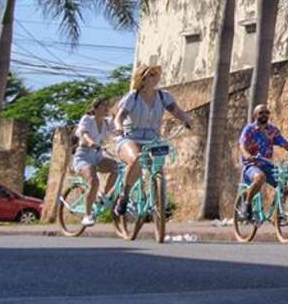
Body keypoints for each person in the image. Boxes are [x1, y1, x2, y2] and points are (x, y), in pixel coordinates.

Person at [114, 63, 198, 214]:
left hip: (153, 139)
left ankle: (157, 202)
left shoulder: (163, 96)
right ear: (142, 79)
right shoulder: (133, 97)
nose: (155, 78)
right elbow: (119, 117)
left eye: (156, 75)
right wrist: (119, 127)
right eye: (151, 75)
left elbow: (176, 111)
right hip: (130, 137)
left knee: (157, 167)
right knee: (137, 159)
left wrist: (188, 119)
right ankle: (124, 196)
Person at [234, 103, 288, 215]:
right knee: (260, 177)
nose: (264, 115)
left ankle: (278, 214)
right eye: (261, 112)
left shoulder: (272, 130)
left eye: (266, 112)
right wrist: (248, 155)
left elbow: (284, 143)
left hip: (267, 165)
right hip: (252, 165)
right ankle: (247, 205)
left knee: (283, 185)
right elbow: (242, 145)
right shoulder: (249, 129)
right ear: (255, 115)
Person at [70, 96, 120, 226]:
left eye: (107, 106)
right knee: (94, 182)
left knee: (116, 168)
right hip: (83, 156)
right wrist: (92, 143)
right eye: (103, 106)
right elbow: (84, 134)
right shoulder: (87, 119)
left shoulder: (107, 122)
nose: (106, 108)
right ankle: (87, 215)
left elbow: (117, 132)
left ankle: (102, 196)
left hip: (97, 155)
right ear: (96, 108)